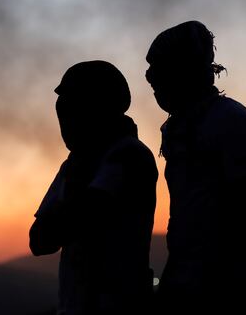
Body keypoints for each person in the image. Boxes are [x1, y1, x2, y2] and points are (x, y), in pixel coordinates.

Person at [145, 21, 246, 311]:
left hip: (229, 289)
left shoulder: (231, 122)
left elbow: (242, 218)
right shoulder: (179, 128)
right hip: (186, 284)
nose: (153, 84)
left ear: (185, 72)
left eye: (160, 75)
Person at [30, 60, 158, 314]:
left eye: (73, 110)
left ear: (98, 108)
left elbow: (88, 214)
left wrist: (67, 212)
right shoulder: (76, 163)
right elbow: (40, 241)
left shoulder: (128, 155)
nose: (66, 122)